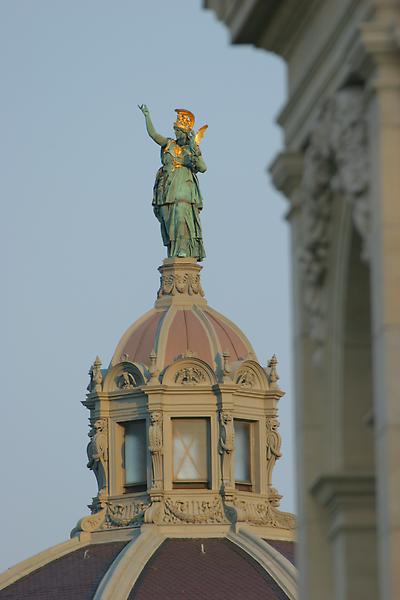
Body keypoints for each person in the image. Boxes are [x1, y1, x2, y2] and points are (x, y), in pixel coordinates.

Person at [138, 104, 207, 261]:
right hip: (167, 190)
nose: (175, 133)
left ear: (185, 133)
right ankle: (173, 252)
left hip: (184, 189)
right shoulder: (169, 144)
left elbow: (203, 167)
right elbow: (154, 135)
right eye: (175, 130)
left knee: (181, 218)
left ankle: (183, 251)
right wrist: (147, 117)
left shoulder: (191, 151)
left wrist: (194, 146)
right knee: (169, 222)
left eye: (178, 131)